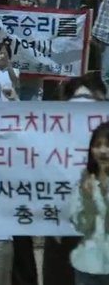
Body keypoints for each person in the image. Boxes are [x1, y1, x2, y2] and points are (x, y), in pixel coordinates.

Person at [69, 122, 109, 285]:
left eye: (108, 145)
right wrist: (87, 199)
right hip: (88, 266)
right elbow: (81, 226)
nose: (103, 151)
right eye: (97, 145)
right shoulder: (84, 183)